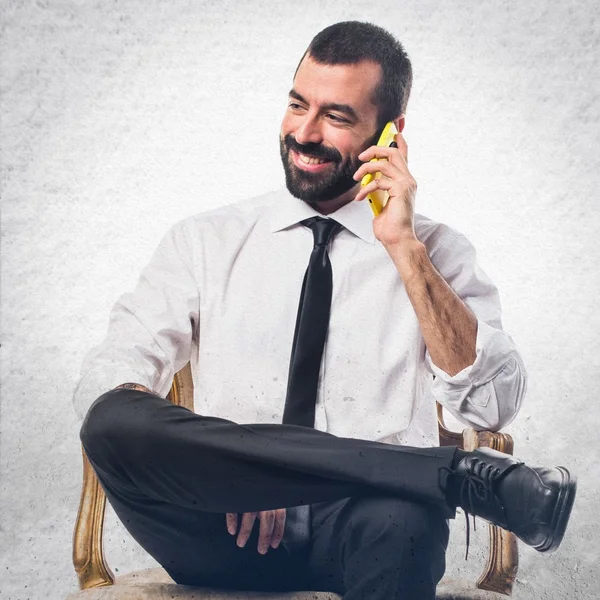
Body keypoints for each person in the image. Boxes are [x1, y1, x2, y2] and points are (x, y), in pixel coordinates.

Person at [74, 21, 576, 600]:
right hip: (222, 525)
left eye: (336, 117)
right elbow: (105, 381)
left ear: (390, 133)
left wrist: (404, 248)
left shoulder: (436, 253)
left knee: (403, 520)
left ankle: (426, 480)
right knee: (112, 422)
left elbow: (491, 407)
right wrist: (243, 470)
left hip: (370, 525)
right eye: (296, 105)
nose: (304, 132)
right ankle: (453, 478)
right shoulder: (204, 241)